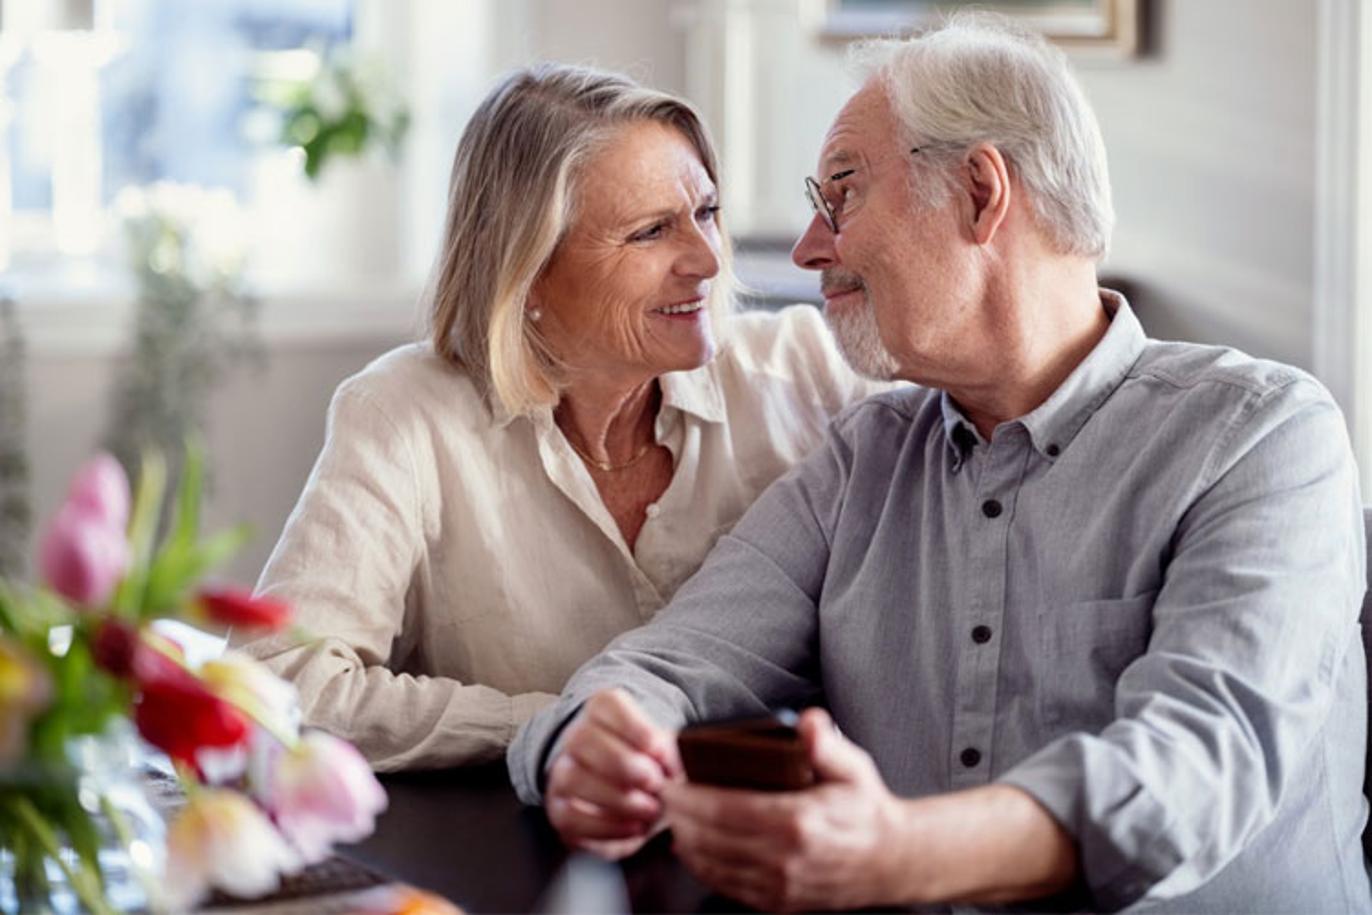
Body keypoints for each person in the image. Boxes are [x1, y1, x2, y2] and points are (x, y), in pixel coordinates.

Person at [507, 15, 1370, 912]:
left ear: (979, 192)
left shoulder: (1263, 434)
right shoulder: (860, 461)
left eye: (842, 194)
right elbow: (668, 663)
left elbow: (1197, 767)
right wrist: (588, 742)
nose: (808, 248)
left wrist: (902, 852)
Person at [234, 64, 886, 771]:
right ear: (528, 269)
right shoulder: (403, 414)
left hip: (780, 831)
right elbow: (278, 687)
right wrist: (557, 727)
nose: (705, 259)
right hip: (520, 841)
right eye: (649, 233)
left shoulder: (806, 368)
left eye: (706, 213)